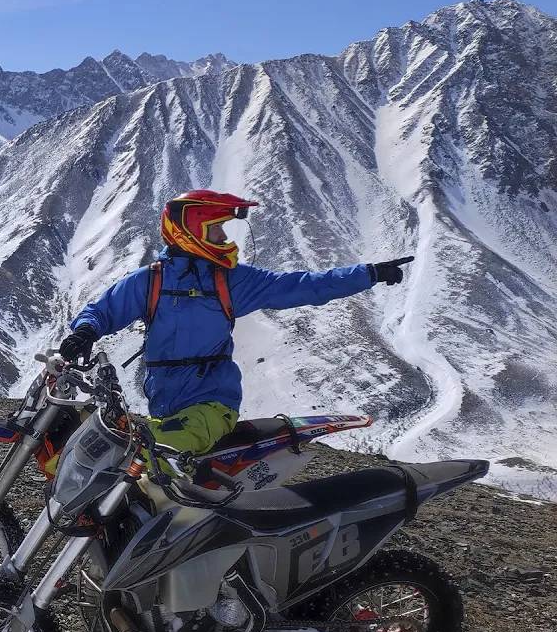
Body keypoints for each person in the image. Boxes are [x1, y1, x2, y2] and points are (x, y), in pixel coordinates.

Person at [59, 189, 412, 459]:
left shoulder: (231, 280)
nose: (224, 241)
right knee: (111, 454)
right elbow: (103, 310)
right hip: (164, 406)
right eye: (216, 232)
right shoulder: (150, 281)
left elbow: (304, 285)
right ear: (191, 232)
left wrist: (367, 274)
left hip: (212, 406)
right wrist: (85, 331)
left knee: (152, 459)